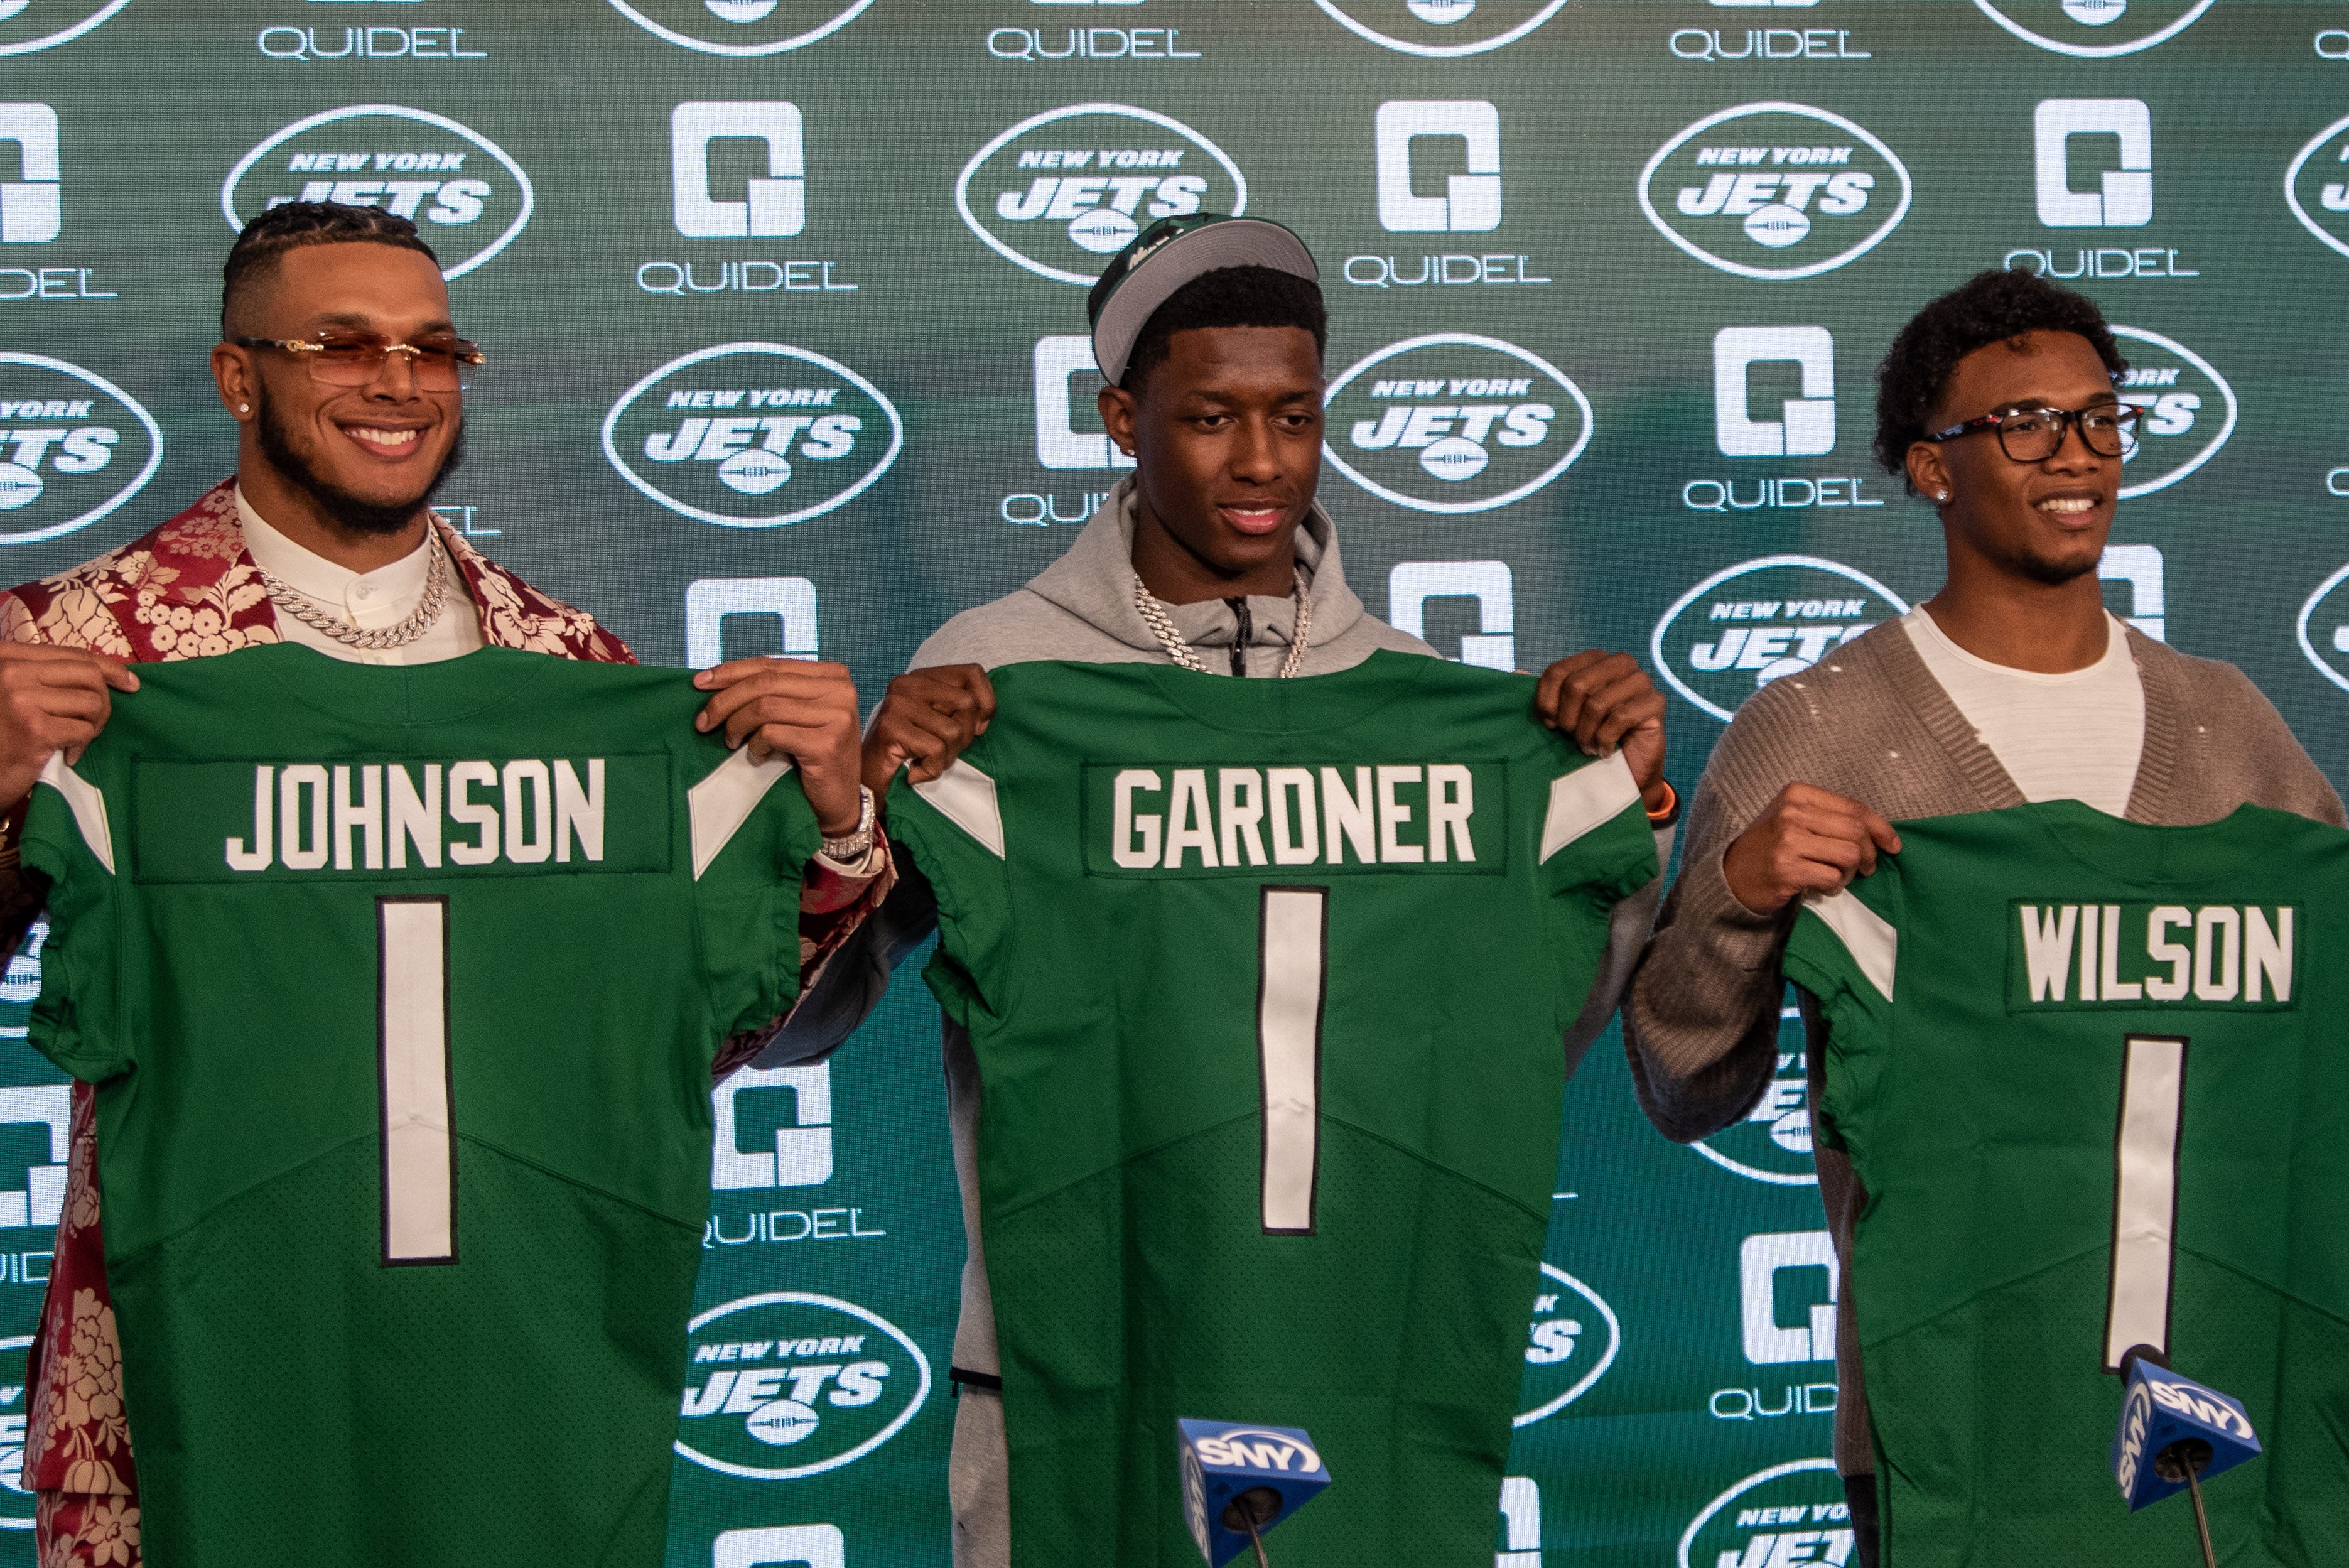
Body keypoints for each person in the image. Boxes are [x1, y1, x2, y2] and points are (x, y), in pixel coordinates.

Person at [769, 213, 1680, 1565]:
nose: (1260, 462)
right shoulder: (989, 682)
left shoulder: (1439, 707)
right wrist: (854, 811)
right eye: (1209, 417)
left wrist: (1620, 809)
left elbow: (1524, 1025)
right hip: (1072, 1347)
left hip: (1365, 1338)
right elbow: (794, 1019)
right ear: (1120, 415)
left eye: (1294, 414)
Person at [0, 202, 885, 1567]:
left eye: (434, 347)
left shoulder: (577, 673)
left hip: (519, 1376)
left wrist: (832, 824)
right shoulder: (81, 653)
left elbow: (704, 1028)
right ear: (239, 375)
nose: (400, 382)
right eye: (342, 343)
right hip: (188, 1371)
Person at [1622, 267, 2343, 1567]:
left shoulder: (2224, 723)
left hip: (2234, 1406)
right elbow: (1680, 1082)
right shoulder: (1819, 724)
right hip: (1948, 1407)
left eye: (2096, 418)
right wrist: (1734, 895)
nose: (2073, 455)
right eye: (2020, 423)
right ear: (1928, 467)